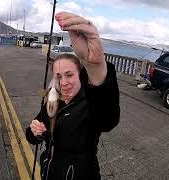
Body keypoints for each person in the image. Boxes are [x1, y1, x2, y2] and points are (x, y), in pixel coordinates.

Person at [26, 11, 120, 179]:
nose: (63, 83)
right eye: (58, 76)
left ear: (81, 75)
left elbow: (107, 120)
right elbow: (32, 136)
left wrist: (95, 67)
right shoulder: (53, 102)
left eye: (69, 75)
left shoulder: (90, 103)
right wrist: (34, 132)